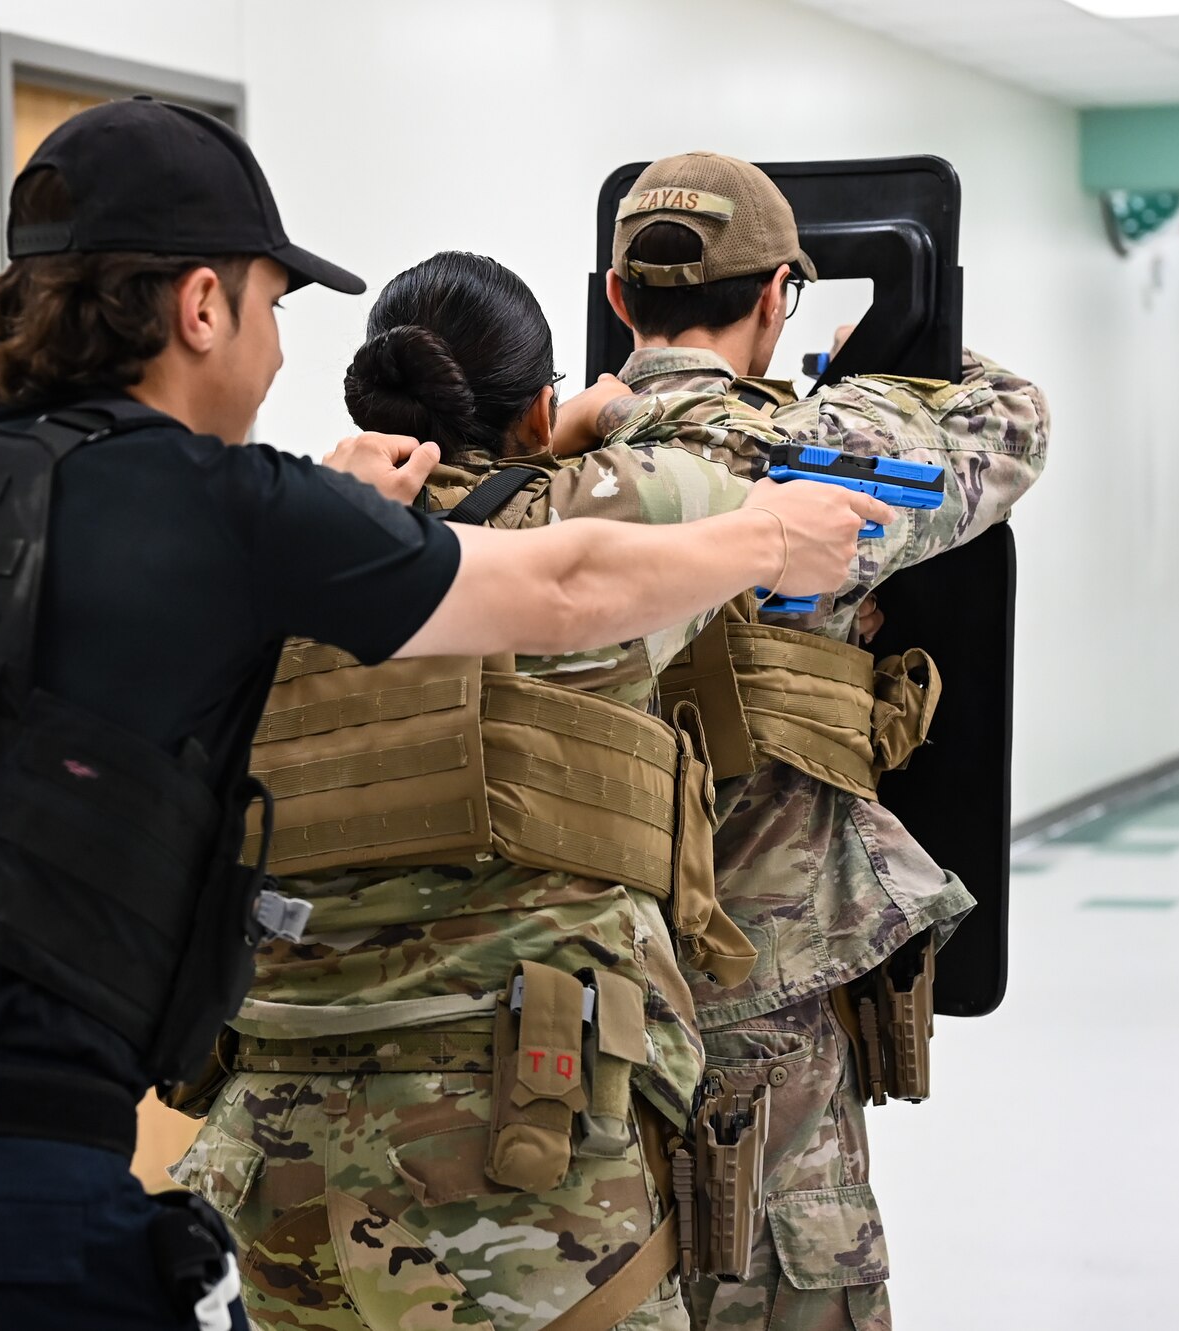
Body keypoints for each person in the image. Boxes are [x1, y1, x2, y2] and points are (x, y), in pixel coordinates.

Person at [0, 103, 882, 1331]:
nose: (269, 356)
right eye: (269, 307)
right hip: (1, 1192)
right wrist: (764, 534)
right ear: (200, 306)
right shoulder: (219, 506)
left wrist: (350, 499)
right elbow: (564, 584)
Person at [180, 251, 786, 1331]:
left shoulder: (264, 551)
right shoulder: (614, 509)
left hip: (272, 1152)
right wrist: (586, 429)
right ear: (537, 405)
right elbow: (727, 464)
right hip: (522, 1162)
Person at [574, 152, 1048, 1330]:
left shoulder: (545, 463)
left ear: (618, 295)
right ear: (778, 294)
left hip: (574, 983)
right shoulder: (816, 457)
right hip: (759, 982)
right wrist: (865, 356)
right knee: (787, 1280)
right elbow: (1011, 419)